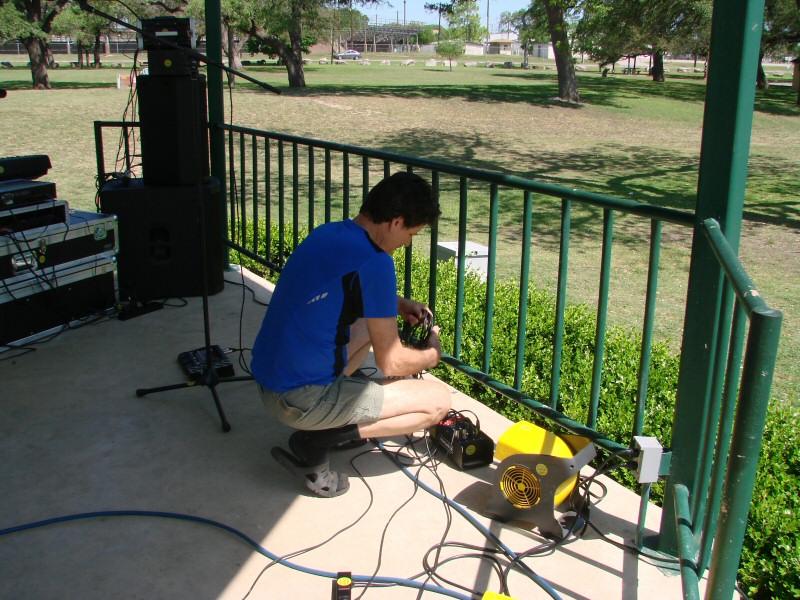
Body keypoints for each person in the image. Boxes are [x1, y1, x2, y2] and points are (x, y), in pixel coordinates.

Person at [251, 171, 451, 497]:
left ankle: (327, 417)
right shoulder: (376, 262)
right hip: (299, 400)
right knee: (437, 403)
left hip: (270, 381)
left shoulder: (329, 233)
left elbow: (339, 290)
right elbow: (391, 363)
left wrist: (395, 304)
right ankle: (316, 441)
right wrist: (432, 353)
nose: (407, 243)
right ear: (396, 222)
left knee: (369, 325)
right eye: (411, 233)